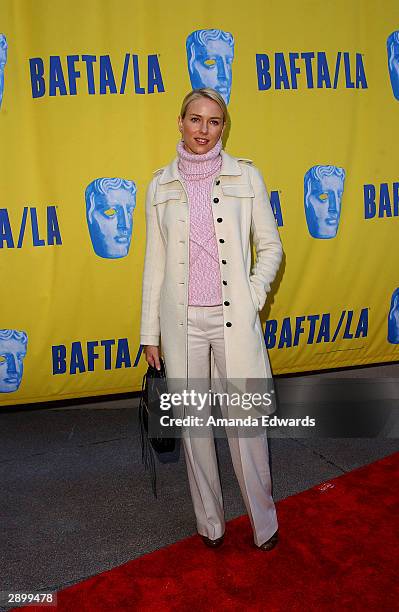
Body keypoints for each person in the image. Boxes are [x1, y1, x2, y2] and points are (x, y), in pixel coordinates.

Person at [140, 87, 283, 550]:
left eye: (214, 121)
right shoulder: (159, 185)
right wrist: (149, 333)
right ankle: (211, 525)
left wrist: (252, 295)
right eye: (195, 119)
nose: (204, 130)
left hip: (233, 321)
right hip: (180, 325)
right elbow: (154, 265)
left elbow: (271, 247)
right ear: (180, 122)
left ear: (224, 126)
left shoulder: (246, 175)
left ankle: (265, 525)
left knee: (247, 428)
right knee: (195, 426)